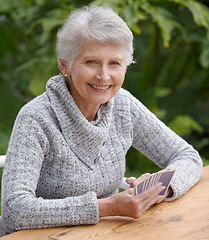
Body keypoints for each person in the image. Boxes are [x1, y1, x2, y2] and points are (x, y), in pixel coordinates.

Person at [1, 5, 202, 234]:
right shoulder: (36, 118)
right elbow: (15, 209)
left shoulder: (123, 105)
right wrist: (107, 207)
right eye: (91, 62)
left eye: (114, 63)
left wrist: (158, 189)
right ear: (65, 65)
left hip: (105, 233)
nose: (104, 76)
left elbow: (187, 156)